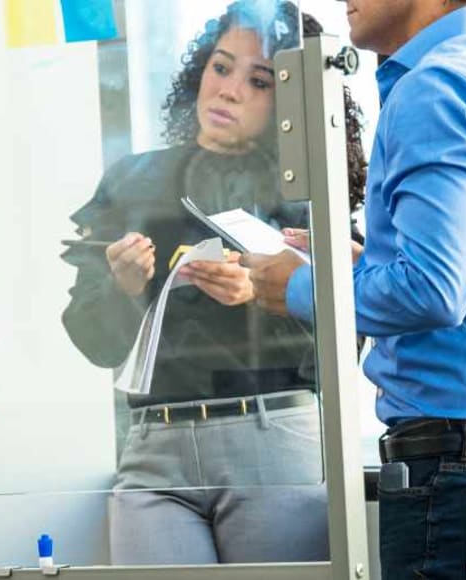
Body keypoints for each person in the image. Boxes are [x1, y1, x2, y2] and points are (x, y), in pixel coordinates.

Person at [245, 1, 466, 578]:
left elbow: (434, 289)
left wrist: (304, 289)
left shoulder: (435, 87)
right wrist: (367, 265)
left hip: (458, 463)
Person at [61, 1, 368, 565]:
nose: (228, 90)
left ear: (290, 100)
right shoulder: (133, 180)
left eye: (259, 81)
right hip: (152, 446)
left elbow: (349, 342)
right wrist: (124, 289)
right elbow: (92, 341)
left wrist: (267, 296)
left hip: (274, 440)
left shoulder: (308, 191)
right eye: (221, 67)